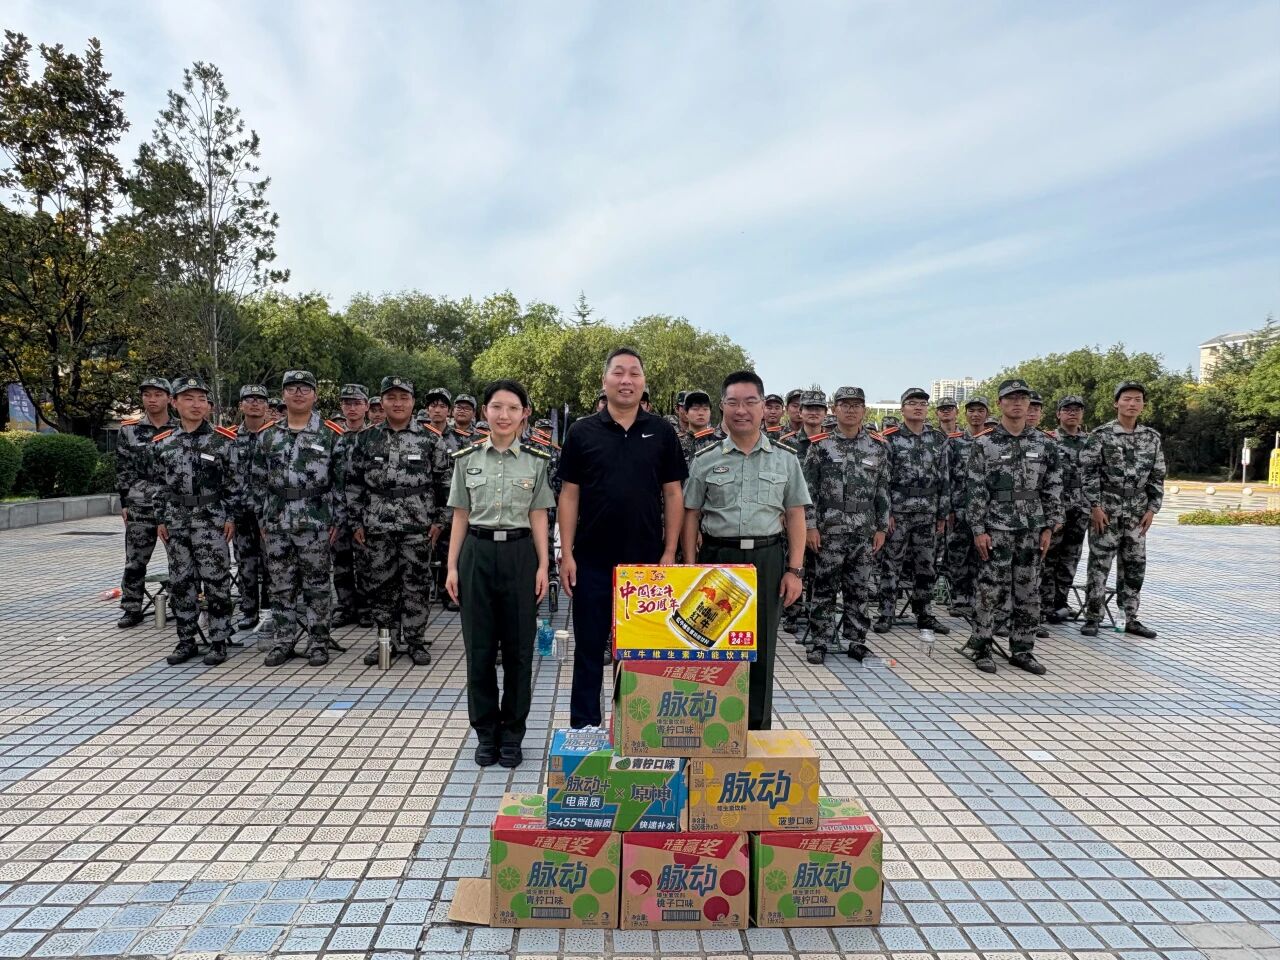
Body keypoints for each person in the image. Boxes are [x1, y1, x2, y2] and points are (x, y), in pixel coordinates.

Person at [557, 347, 687, 728]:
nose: (626, 380)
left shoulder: (662, 432)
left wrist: (670, 551)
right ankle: (584, 729)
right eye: (618, 372)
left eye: (634, 373)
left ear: (643, 382)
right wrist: (567, 553)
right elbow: (569, 495)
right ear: (605, 380)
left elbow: (673, 494)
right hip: (592, 562)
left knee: (639, 653)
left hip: (646, 563)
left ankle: (635, 729)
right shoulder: (581, 432)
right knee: (588, 651)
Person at [683, 370, 809, 730]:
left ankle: (755, 730)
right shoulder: (705, 458)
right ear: (722, 406)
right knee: (711, 646)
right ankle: (712, 729)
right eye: (733, 402)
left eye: (750, 402)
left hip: (767, 559)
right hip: (717, 559)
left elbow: (795, 514)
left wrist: (795, 570)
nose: (742, 410)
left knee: (761, 647)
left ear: (764, 406)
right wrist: (690, 565)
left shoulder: (785, 458)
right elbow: (691, 514)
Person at [446, 380, 554, 768]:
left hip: (519, 555)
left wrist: (543, 565)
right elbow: (460, 515)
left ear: (524, 413)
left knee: (519, 651)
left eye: (512, 408)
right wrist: (452, 566)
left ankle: (512, 733)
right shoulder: (466, 459)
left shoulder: (536, 461)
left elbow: (538, 515)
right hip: (476, 552)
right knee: (479, 650)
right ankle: (485, 732)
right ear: (485, 412)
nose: (503, 415)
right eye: (496, 407)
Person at [347, 376, 450, 667]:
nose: (397, 403)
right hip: (377, 524)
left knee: (416, 583)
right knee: (381, 584)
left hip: (417, 524)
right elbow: (353, 483)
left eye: (404, 397)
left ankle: (416, 640)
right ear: (381, 402)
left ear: (413, 402)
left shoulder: (430, 439)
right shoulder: (366, 439)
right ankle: (386, 641)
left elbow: (445, 484)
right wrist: (355, 522)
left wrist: (440, 521)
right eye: (391, 397)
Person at [963, 379, 1063, 675]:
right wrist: (978, 529)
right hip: (997, 527)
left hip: (1032, 528)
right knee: (990, 589)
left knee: (1029, 590)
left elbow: (1053, 487)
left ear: (1030, 404)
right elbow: (975, 490)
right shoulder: (984, 444)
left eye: (1022, 398)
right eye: (1011, 398)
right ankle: (981, 645)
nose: (1017, 403)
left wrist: (1050, 526)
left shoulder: (1045, 444)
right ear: (1000, 403)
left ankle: (1022, 649)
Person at [252, 370, 347, 667]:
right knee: (280, 586)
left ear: (315, 395)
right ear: (283, 395)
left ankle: (318, 642)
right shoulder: (268, 435)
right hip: (277, 521)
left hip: (315, 521)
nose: (298, 393)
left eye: (305, 388)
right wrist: (262, 520)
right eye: (291, 388)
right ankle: (283, 641)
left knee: (317, 586)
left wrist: (337, 520)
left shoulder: (331, 434)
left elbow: (341, 483)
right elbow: (257, 482)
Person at [148, 376, 239, 667]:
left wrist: (231, 517)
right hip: (176, 520)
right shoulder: (163, 443)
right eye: (188, 398)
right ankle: (186, 639)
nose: (196, 405)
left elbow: (234, 484)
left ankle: (219, 640)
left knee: (216, 582)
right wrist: (160, 517)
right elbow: (158, 485)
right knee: (180, 582)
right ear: (174, 403)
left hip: (211, 520)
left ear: (209, 406)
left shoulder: (223, 441)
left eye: (201, 399)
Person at [801, 386, 889, 664]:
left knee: (859, 587)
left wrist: (882, 528)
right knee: (824, 587)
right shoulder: (820, 446)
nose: (850, 410)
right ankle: (820, 640)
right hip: (830, 529)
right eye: (845, 405)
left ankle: (856, 640)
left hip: (864, 530)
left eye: (856, 405)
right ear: (834, 409)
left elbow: (882, 491)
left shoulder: (877, 447)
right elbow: (808, 491)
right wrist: (810, 526)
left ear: (864, 410)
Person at [1079, 381, 1165, 639]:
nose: (1132, 404)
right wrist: (1095, 506)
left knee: (1135, 566)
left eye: (1137, 399)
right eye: (1127, 399)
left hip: (1137, 511)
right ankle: (1093, 616)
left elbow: (1157, 475)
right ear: (1116, 403)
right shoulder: (1101, 435)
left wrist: (1152, 509)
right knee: (1099, 564)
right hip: (1107, 510)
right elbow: (1088, 473)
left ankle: (1129, 617)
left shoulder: (1152, 437)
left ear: (1143, 405)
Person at [876, 387, 950, 635]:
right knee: (891, 563)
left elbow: (945, 479)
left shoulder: (938, 439)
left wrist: (942, 513)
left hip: (928, 511)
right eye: (912, 403)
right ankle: (886, 613)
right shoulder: (890, 439)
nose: (918, 407)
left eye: (922, 403)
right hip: (899, 511)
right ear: (902, 409)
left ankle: (924, 613)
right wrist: (886, 513)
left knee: (926, 565)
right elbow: (883, 480)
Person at [115, 376, 176, 628]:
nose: (152, 400)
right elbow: (123, 467)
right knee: (135, 560)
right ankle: (131, 607)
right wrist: (124, 502)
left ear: (169, 398)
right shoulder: (129, 430)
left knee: (179, 558)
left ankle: (180, 603)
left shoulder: (180, 428)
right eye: (147, 395)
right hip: (140, 503)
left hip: (173, 503)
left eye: (158, 394)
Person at [1042, 396, 1090, 622]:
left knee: (1071, 557)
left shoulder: (1091, 443)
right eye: (1067, 409)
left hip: (1081, 509)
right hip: (1056, 509)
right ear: (1058, 414)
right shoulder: (1048, 441)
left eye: (1077, 410)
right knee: (1049, 557)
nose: (1072, 413)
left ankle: (1061, 602)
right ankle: (1043, 603)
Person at [230, 384, 272, 631]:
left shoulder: (275, 436)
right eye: (249, 399)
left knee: (271, 562)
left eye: (260, 399)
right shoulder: (229, 437)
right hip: (241, 512)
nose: (255, 403)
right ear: (241, 405)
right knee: (245, 562)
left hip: (269, 512)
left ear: (267, 405)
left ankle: (268, 609)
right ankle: (248, 610)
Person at [945, 395, 990, 622]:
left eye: (980, 410)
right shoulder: (954, 442)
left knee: (982, 556)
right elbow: (947, 477)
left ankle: (979, 600)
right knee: (958, 555)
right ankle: (960, 600)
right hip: (960, 508)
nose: (976, 415)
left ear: (987, 414)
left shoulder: (993, 442)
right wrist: (949, 508)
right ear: (965, 414)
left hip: (986, 511)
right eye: (971, 411)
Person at [332, 384, 372, 629]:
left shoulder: (373, 436)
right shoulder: (332, 437)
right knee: (341, 563)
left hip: (366, 510)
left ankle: (366, 608)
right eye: (347, 403)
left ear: (366, 406)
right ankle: (345, 607)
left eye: (357, 403)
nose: (352, 408)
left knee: (366, 562)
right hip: (337, 510)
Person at [679, 389, 719, 463]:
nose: (701, 413)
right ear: (686, 413)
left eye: (705, 409)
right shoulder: (677, 443)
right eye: (695, 409)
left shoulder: (719, 442)